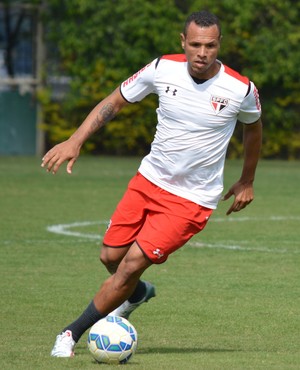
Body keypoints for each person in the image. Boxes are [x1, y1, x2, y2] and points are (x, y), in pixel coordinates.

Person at [42, 10, 262, 357]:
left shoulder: (240, 89)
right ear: (183, 43)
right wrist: (75, 140)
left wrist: (247, 180)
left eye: (210, 45)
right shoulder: (162, 68)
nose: (202, 53)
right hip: (148, 181)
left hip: (192, 200)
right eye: (195, 45)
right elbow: (114, 101)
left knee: (130, 264)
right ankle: (136, 293)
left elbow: (253, 128)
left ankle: (70, 333)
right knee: (111, 257)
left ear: (220, 44)